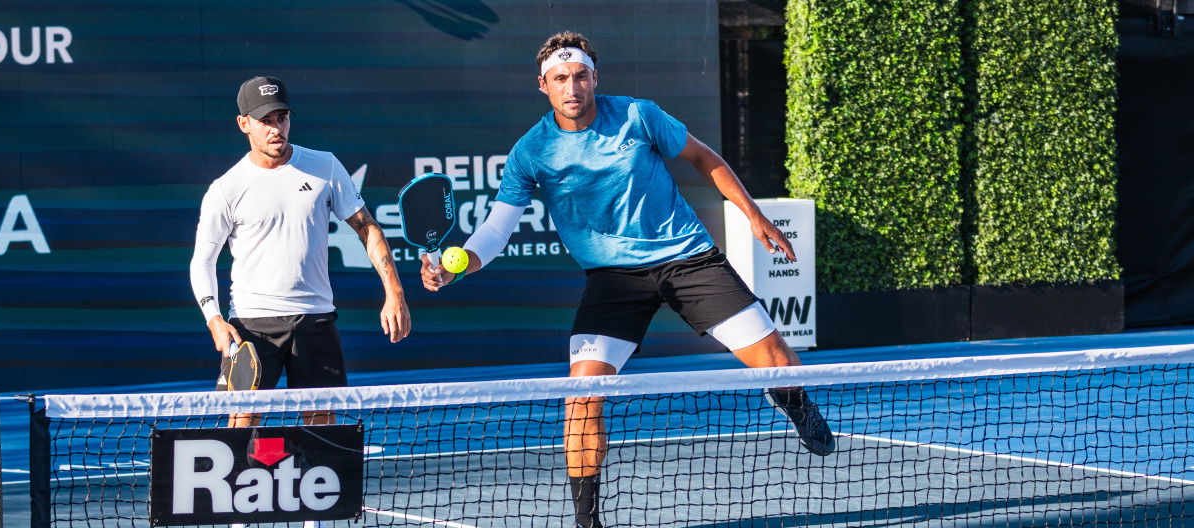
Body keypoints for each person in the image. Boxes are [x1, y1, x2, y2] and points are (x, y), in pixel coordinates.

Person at [419, 33, 834, 528]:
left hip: (688, 260)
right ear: (543, 86)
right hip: (612, 280)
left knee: (777, 363)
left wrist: (754, 216)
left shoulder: (639, 115)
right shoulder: (531, 152)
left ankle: (797, 405)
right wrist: (455, 265)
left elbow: (707, 159)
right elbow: (495, 230)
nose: (571, 87)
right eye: (559, 79)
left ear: (595, 78)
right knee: (581, 399)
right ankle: (586, 521)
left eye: (579, 76)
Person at [190, 75, 412, 431]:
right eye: (266, 121)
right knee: (242, 423)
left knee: (323, 425)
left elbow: (367, 227)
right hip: (252, 324)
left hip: (315, 318)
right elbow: (203, 260)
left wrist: (394, 293)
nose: (276, 128)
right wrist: (214, 319)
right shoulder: (226, 189)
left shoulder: (324, 166)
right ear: (244, 124)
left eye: (282, 117)